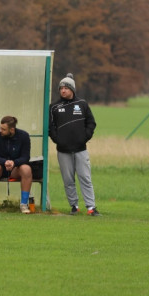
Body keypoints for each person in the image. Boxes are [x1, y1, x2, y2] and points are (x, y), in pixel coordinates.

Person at [49, 73, 99, 216]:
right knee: (68, 180)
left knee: (85, 178)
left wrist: (84, 137)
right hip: (63, 151)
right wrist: (57, 139)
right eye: (61, 88)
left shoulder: (82, 104)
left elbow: (91, 123)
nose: (63, 91)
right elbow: (50, 127)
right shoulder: (54, 107)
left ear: (72, 89)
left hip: (80, 150)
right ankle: (74, 206)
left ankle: (91, 208)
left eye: (66, 88)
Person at [0, 115, 33, 214]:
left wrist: (14, 162)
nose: (0, 131)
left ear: (12, 129)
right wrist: (5, 162)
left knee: (26, 169)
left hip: (15, 168)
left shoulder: (24, 136)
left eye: (3, 129)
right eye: (0, 128)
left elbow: (25, 157)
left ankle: (24, 205)